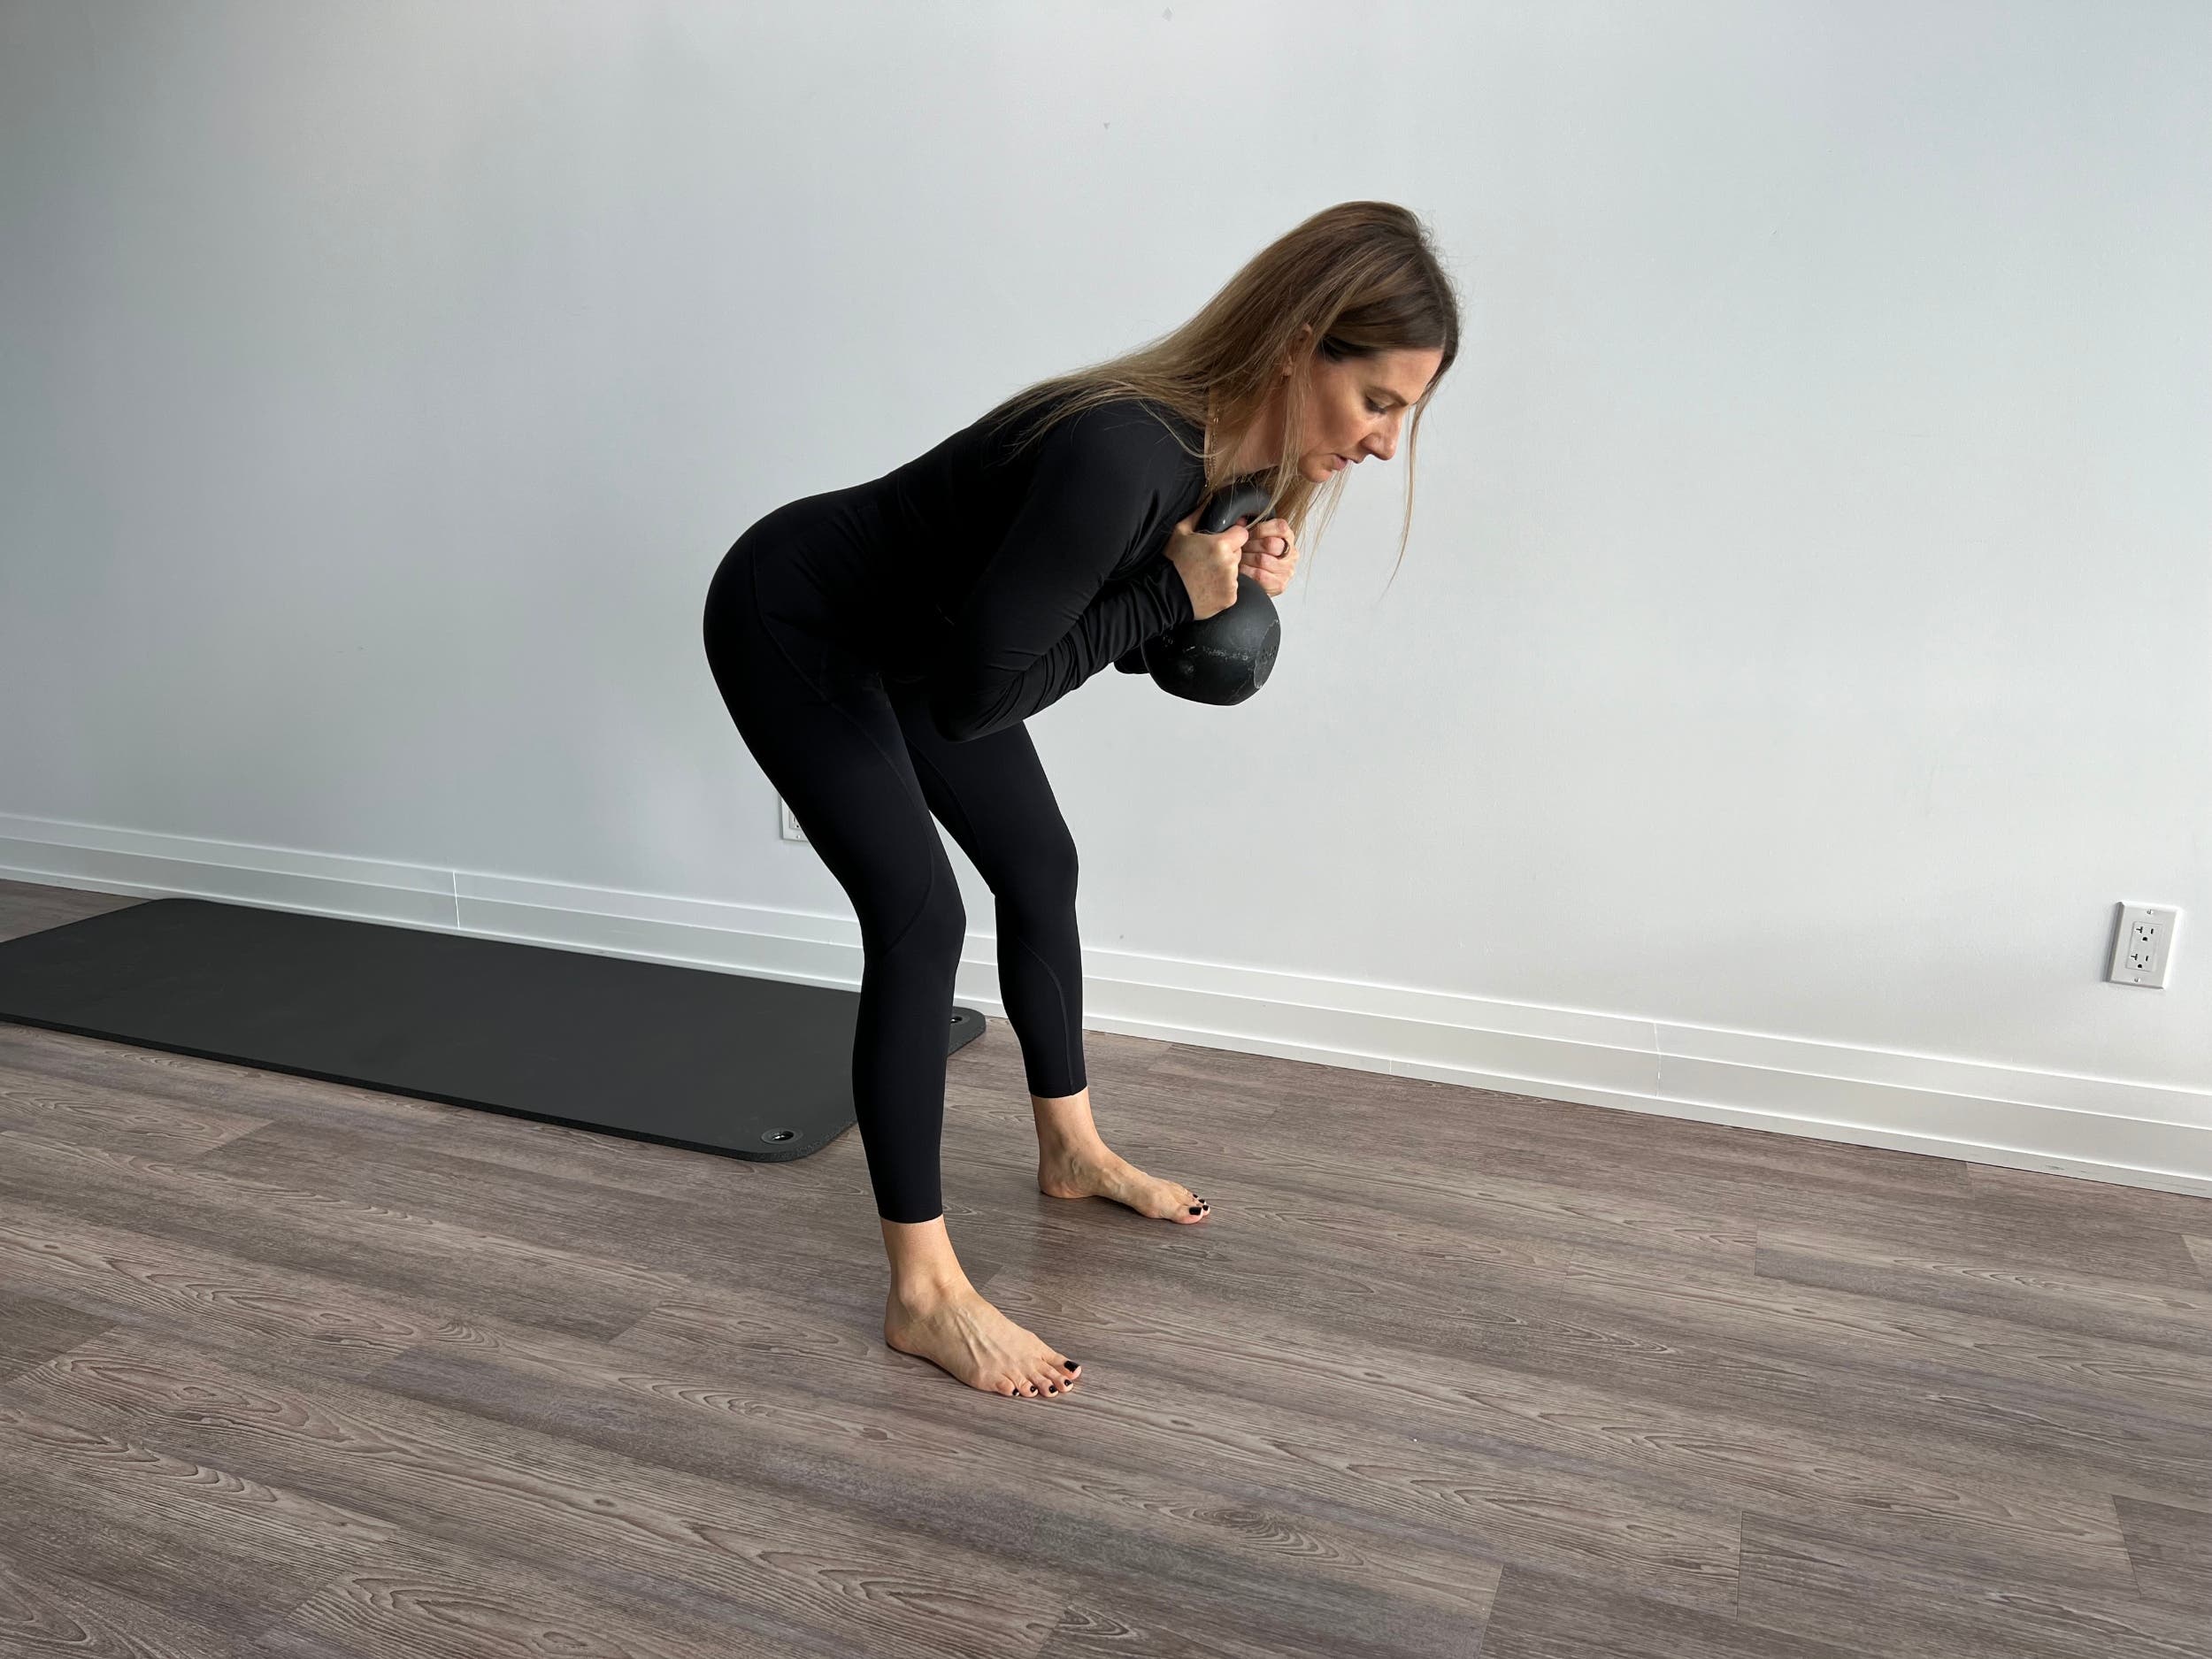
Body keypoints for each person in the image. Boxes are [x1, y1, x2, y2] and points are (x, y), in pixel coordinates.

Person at [702, 200, 1457, 1400]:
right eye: (1379, 404)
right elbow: (978, 701)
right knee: (919, 918)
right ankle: (924, 1293)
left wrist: (1210, 595)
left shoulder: (1240, 470)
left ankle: (1072, 1147)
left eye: (1402, 419)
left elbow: (1102, 637)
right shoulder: (1123, 449)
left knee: (1038, 866)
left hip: (925, 651)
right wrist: (1168, 594)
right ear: (1303, 341)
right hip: (801, 621)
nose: (1382, 447)